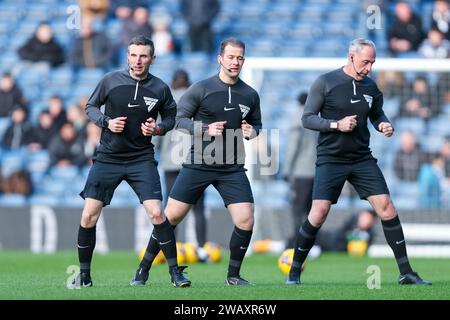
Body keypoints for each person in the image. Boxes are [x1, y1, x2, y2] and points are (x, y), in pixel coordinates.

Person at [286, 39, 430, 286]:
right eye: (365, 62)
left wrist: (382, 124)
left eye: (372, 63)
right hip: (331, 159)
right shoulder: (325, 82)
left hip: (362, 158)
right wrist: (336, 125)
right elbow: (307, 119)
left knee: (387, 207)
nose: (369, 68)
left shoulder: (372, 87)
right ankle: (294, 272)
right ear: (351, 57)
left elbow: (377, 113)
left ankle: (406, 272)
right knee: (318, 213)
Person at [131, 38, 262, 286]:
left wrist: (251, 131)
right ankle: (143, 269)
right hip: (199, 163)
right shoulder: (201, 89)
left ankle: (233, 276)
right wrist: (204, 128)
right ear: (220, 58)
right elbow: (179, 120)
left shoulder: (250, 94)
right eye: (231, 57)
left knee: (246, 219)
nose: (235, 62)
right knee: (170, 217)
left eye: (240, 58)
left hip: (232, 167)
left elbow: (257, 125)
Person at [71, 35, 189, 288]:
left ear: (152, 59)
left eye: (144, 56)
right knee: (88, 216)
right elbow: (90, 107)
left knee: (157, 214)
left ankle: (175, 273)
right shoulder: (110, 81)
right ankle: (84, 276)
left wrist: (157, 129)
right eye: (134, 55)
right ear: (127, 56)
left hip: (141, 159)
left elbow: (171, 118)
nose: (138, 60)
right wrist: (106, 122)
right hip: (108, 158)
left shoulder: (160, 88)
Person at [158, 69, 208, 254]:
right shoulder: (196, 101)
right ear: (189, 83)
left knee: (171, 208)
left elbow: (157, 133)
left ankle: (169, 247)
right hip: (194, 161)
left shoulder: (166, 102)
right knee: (199, 207)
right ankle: (202, 248)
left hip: (171, 162)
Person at [282, 92, 317, 249]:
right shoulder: (316, 118)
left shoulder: (297, 120)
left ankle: (298, 240)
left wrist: (287, 170)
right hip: (316, 171)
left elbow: (293, 147)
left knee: (298, 209)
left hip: (301, 172)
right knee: (311, 209)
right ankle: (312, 241)